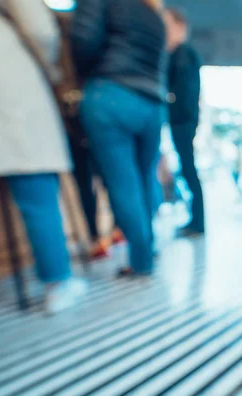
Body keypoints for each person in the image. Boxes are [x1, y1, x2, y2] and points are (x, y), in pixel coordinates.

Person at [0, 0, 88, 319]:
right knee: (34, 188)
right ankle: (57, 283)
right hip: (0, 76)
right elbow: (40, 28)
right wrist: (51, 69)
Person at [70, 0, 167, 276]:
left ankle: (142, 260)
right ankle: (147, 249)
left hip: (111, 93)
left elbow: (82, 40)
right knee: (146, 179)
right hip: (152, 103)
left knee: (123, 184)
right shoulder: (153, 14)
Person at [164, 8, 205, 236]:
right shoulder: (180, 54)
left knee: (189, 169)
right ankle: (195, 221)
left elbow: (186, 93)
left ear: (180, 27)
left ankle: (198, 223)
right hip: (183, 120)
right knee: (187, 169)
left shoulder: (183, 53)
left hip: (183, 121)